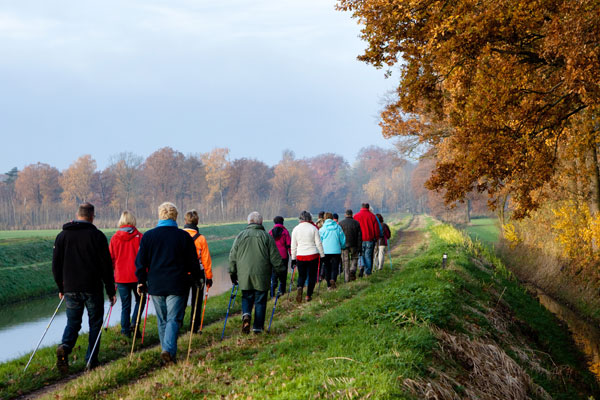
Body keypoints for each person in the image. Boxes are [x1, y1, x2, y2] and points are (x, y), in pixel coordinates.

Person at [53, 202, 117, 374]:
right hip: (92, 288)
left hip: (70, 288)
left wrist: (61, 287)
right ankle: (91, 360)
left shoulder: (62, 236)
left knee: (73, 322)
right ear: (92, 216)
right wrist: (111, 291)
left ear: (77, 214)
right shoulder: (97, 236)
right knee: (95, 323)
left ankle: (65, 347)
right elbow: (106, 266)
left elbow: (56, 265)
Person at [135, 202, 202, 364]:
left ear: (160, 215)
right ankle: (168, 350)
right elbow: (193, 262)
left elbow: (140, 262)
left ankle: (167, 351)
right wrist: (197, 277)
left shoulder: (149, 236)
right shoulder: (183, 236)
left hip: (156, 284)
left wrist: (141, 281)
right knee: (174, 319)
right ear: (175, 216)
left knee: (162, 319)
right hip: (177, 284)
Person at [229, 212, 283, 334]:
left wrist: (233, 273)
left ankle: (246, 315)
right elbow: (275, 257)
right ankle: (257, 328)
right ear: (261, 222)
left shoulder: (240, 236)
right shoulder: (266, 237)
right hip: (262, 275)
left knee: (246, 297)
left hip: (244, 275)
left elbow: (232, 256)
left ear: (248, 222)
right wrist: (281, 272)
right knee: (260, 300)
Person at [109, 210, 144, 338]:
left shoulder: (114, 238)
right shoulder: (140, 237)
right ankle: (135, 322)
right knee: (140, 300)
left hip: (121, 277)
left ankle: (125, 331)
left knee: (125, 305)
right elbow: (144, 258)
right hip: (137, 276)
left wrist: (114, 273)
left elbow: (111, 259)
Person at [182, 210, 213, 333]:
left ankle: (177, 325)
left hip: (182, 273)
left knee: (181, 301)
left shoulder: (179, 235)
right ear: (197, 222)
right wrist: (209, 277)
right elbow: (206, 259)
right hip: (198, 273)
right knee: (197, 302)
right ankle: (194, 327)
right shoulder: (201, 239)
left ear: (185, 221)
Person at [291, 211, 325, 302]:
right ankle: (308, 295)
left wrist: (293, 259)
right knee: (312, 276)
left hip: (300, 255)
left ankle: (300, 287)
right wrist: (322, 255)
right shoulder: (314, 228)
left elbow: (293, 246)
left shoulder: (295, 229)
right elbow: (318, 243)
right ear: (310, 218)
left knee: (301, 275)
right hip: (313, 255)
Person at [319, 212, 346, 289]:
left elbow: (319, 241)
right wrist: (343, 246)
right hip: (336, 250)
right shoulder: (338, 227)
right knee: (335, 267)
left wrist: (319, 250)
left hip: (326, 251)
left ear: (324, 218)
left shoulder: (322, 229)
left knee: (327, 268)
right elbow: (342, 239)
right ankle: (333, 279)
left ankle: (328, 285)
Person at [353, 203, 381, 276]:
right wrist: (376, 238)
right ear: (368, 208)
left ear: (361, 207)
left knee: (360, 254)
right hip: (370, 239)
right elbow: (376, 230)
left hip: (359, 240)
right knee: (368, 256)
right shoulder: (372, 216)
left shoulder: (356, 216)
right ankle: (367, 273)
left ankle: (361, 265)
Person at [269, 216, 291, 298]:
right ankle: (282, 292)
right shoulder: (285, 232)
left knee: (274, 274)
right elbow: (289, 245)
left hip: (273, 257)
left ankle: (272, 293)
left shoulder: (270, 232)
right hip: (284, 256)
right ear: (282, 222)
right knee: (283, 275)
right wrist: (293, 257)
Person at [339, 209, 362, 282]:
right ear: (352, 214)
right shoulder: (356, 223)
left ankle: (347, 279)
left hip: (344, 245)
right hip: (354, 244)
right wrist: (359, 247)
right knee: (355, 258)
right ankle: (352, 270)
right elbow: (359, 236)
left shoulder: (341, 223)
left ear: (345, 215)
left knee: (345, 261)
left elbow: (339, 236)